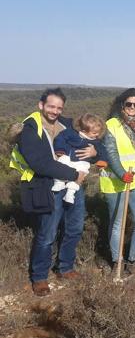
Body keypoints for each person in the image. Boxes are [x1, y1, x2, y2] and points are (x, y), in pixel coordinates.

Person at [9, 88, 91, 296]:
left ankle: (65, 268)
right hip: (49, 186)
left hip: (73, 186)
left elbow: (88, 137)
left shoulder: (66, 125)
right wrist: (74, 174)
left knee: (74, 228)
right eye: (51, 106)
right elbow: (40, 163)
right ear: (41, 105)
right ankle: (39, 277)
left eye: (59, 107)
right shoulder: (30, 129)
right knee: (47, 234)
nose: (55, 111)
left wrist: (94, 150)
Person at [100, 88, 135, 272]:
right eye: (128, 104)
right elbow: (111, 153)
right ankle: (117, 261)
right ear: (122, 104)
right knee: (118, 223)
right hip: (116, 182)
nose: (132, 107)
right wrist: (122, 173)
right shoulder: (111, 125)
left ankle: (133, 259)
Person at [51, 113, 108, 204]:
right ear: (84, 131)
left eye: (98, 133)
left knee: (82, 171)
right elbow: (60, 138)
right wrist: (60, 150)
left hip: (82, 161)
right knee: (62, 162)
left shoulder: (95, 141)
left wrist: (102, 160)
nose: (97, 135)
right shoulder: (72, 133)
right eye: (94, 133)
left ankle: (70, 193)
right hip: (68, 156)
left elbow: (102, 150)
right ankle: (59, 182)